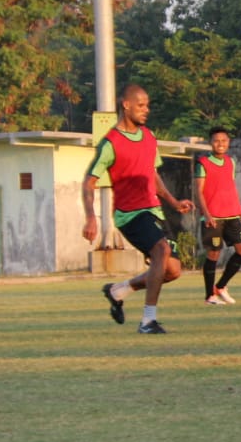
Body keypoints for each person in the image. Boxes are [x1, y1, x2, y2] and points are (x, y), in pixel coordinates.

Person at [82, 84, 195, 334]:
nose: (146, 110)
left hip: (153, 210)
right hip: (129, 213)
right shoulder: (110, 143)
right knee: (161, 250)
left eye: (148, 105)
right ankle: (148, 321)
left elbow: (152, 174)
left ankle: (117, 291)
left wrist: (173, 202)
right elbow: (89, 182)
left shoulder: (149, 137)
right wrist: (91, 217)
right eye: (141, 105)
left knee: (173, 270)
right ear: (126, 105)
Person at [193, 127, 241, 305]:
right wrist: (207, 214)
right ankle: (209, 296)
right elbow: (199, 191)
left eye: (224, 141)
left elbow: (230, 188)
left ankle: (221, 286)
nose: (220, 144)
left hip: (232, 215)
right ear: (210, 143)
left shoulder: (230, 162)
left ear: (228, 143)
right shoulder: (202, 163)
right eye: (217, 141)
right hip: (214, 217)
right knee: (213, 254)